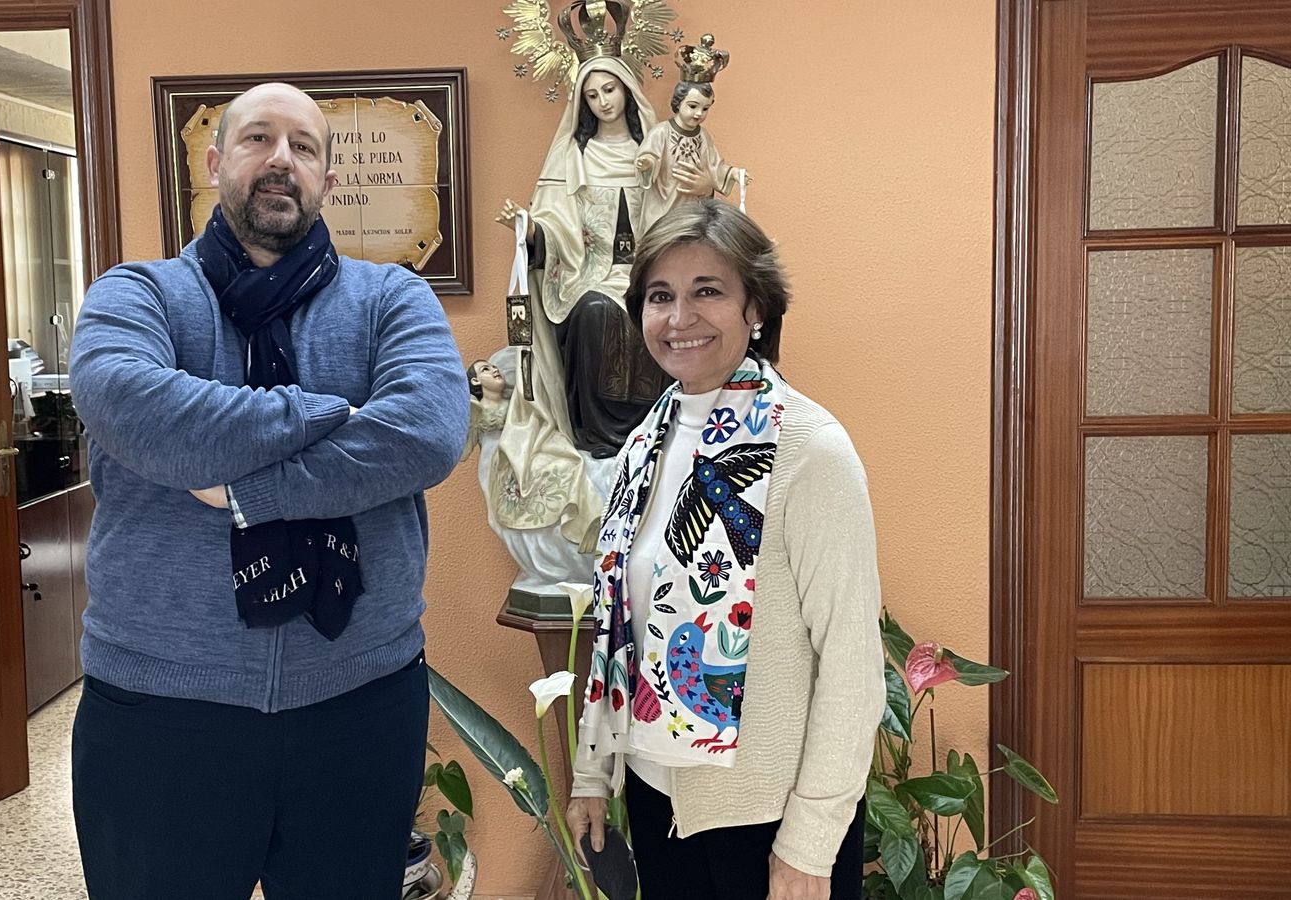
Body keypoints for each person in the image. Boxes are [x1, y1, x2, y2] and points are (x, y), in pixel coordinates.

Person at [67, 82, 468, 900]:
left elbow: (424, 432)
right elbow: (128, 403)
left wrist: (248, 488)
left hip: (357, 704)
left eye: (304, 146)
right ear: (215, 163)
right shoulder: (136, 294)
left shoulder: (393, 298)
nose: (281, 159)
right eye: (257, 139)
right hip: (160, 711)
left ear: (326, 177)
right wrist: (327, 412)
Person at [567, 200, 884, 900]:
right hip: (658, 801)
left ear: (757, 309)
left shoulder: (809, 450)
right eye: (660, 296)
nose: (680, 318)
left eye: (707, 290)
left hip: (767, 818)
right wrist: (594, 773)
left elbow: (854, 664)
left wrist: (808, 846)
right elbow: (618, 623)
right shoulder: (643, 443)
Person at [496, 54, 672, 458]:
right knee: (594, 311)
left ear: (627, 90)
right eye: (592, 95)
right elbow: (555, 223)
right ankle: (601, 435)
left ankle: (657, 424)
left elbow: (681, 208)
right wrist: (528, 227)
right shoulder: (572, 155)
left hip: (653, 268)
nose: (603, 102)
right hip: (587, 273)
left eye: (609, 90)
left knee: (662, 305)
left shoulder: (655, 149)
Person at [635, 56, 740, 224]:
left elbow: (715, 165)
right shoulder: (662, 132)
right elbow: (649, 156)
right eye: (693, 106)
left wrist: (732, 173)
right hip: (662, 208)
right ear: (678, 102)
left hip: (691, 211)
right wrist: (647, 163)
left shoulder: (703, 136)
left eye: (705, 108)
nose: (699, 113)